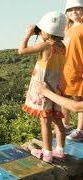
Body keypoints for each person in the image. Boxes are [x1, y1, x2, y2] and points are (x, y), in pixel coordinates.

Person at [18, 11, 67, 163]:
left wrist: (28, 34)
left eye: (41, 31)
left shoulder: (46, 45)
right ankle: (60, 150)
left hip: (44, 89)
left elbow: (21, 51)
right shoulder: (62, 46)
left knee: (45, 121)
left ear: (47, 31)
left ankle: (47, 153)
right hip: (57, 89)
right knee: (58, 120)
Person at [61, 0, 83, 141]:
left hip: (80, 69)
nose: (74, 12)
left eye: (77, 9)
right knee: (64, 99)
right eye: (70, 10)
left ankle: (80, 129)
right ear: (67, 13)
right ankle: (65, 125)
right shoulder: (67, 29)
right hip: (66, 69)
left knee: (80, 99)